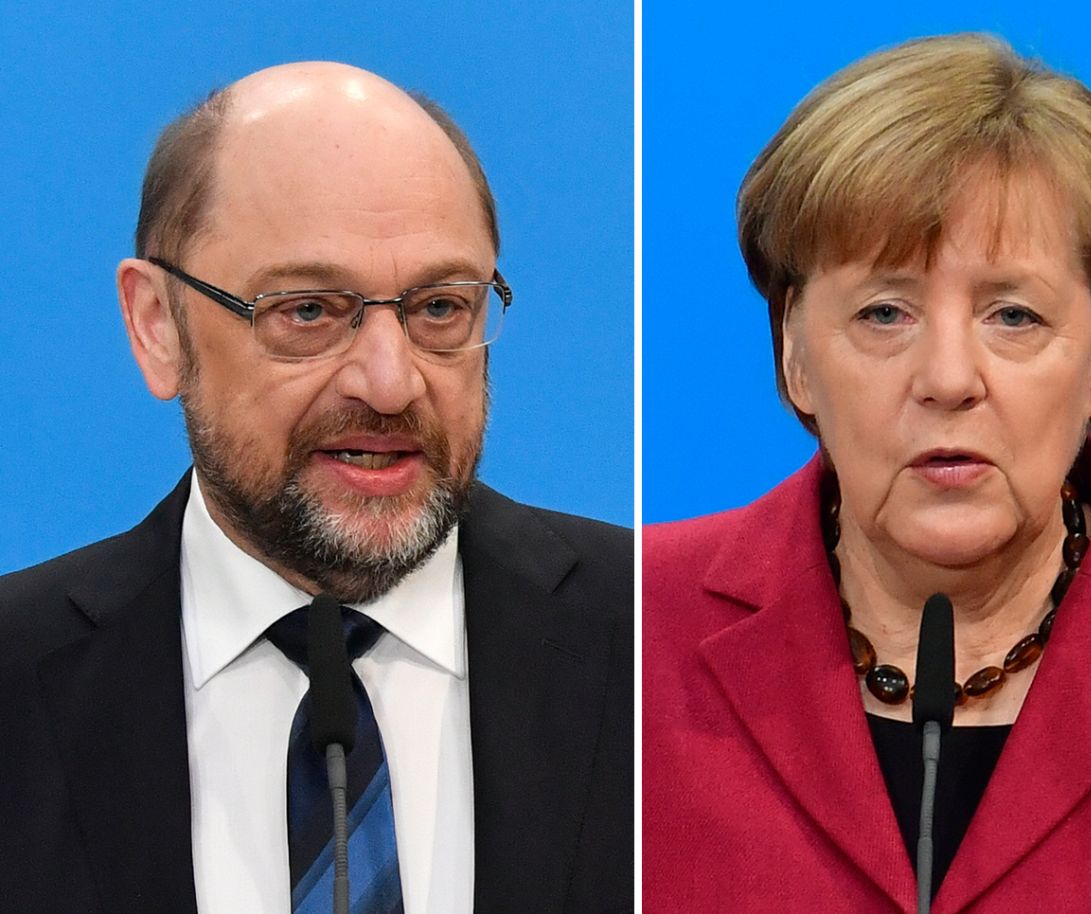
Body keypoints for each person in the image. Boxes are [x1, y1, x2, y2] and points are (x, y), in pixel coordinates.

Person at [642, 34, 1091, 911]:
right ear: (793, 354)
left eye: (1013, 315)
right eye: (885, 312)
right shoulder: (628, 628)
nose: (948, 378)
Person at [0, 63, 631, 913]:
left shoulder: (650, 638)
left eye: (440, 308)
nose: (390, 381)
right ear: (158, 327)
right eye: (308, 312)